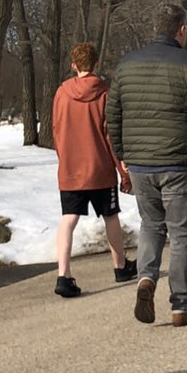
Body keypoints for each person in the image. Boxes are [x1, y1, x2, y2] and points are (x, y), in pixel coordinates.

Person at [106, 3, 187, 326]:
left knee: (151, 225)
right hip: (179, 162)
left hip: (140, 163)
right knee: (182, 233)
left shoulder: (126, 64)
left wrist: (123, 154)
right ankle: (182, 305)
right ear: (182, 30)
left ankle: (146, 279)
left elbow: (113, 116)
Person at [52, 42, 137, 297]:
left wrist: (64, 158)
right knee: (110, 216)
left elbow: (56, 129)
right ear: (96, 63)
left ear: (73, 65)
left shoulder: (61, 93)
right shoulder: (104, 93)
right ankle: (120, 266)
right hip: (99, 168)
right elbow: (111, 135)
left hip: (71, 169)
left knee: (68, 219)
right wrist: (123, 171)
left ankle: (63, 274)